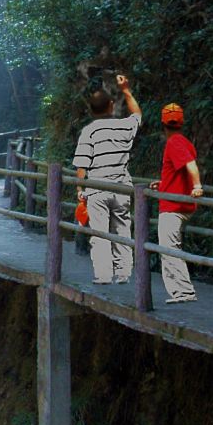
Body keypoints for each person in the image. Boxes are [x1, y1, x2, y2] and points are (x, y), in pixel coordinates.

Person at [73, 74, 142, 284]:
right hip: (121, 187)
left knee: (100, 233)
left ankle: (103, 275)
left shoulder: (88, 132)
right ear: (111, 106)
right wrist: (126, 90)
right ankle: (123, 274)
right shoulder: (124, 127)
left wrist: (79, 191)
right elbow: (138, 113)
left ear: (91, 110)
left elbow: (82, 165)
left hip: (97, 189)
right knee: (122, 228)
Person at [153, 102, 202, 303]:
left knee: (169, 248)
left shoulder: (174, 143)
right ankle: (180, 291)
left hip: (173, 207)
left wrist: (198, 185)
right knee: (170, 247)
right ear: (181, 123)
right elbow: (181, 172)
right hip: (177, 202)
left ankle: (184, 292)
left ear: (163, 124)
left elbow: (190, 165)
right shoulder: (184, 142)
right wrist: (164, 184)